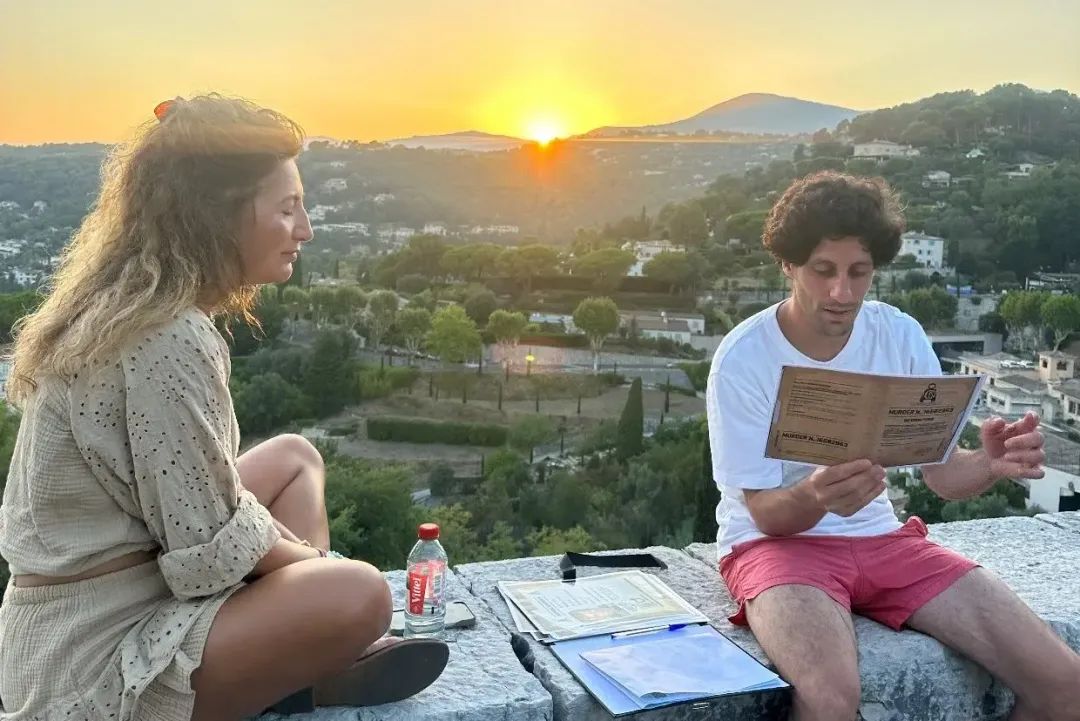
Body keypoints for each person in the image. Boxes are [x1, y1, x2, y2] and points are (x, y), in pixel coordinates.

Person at [0, 94, 449, 721]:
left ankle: (294, 661)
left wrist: (295, 565)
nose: (305, 229)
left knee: (294, 459)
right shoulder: (166, 334)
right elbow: (209, 553)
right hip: (94, 653)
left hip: (83, 610)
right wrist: (320, 565)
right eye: (287, 209)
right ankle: (304, 667)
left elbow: (203, 513)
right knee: (360, 594)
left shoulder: (132, 308)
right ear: (217, 217)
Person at [706, 171, 1080, 721]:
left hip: (884, 539)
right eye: (823, 271)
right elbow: (765, 515)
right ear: (787, 264)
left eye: (859, 272)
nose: (843, 293)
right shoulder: (744, 357)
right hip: (777, 548)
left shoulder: (899, 333)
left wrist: (990, 464)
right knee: (832, 701)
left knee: (1066, 684)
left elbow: (942, 477)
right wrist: (815, 495)